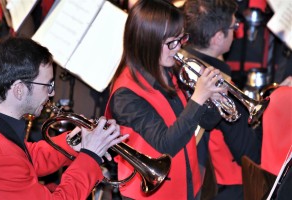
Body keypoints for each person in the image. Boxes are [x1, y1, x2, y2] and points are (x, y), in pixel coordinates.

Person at [104, 0, 228, 199]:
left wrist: (213, 97)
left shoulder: (170, 69)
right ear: (148, 42)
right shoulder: (125, 95)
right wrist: (198, 97)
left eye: (181, 39)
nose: (178, 48)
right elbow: (166, 144)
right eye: (171, 42)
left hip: (188, 185)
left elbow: (207, 122)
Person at [0, 37, 129, 199]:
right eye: (47, 85)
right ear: (19, 89)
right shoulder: (2, 157)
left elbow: (27, 158)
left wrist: (73, 143)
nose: (52, 93)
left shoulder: (1, 132)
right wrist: (90, 156)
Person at [183, 0, 263, 199]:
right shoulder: (220, 86)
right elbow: (250, 152)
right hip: (221, 187)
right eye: (234, 26)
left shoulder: (178, 63)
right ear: (218, 37)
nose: (236, 31)